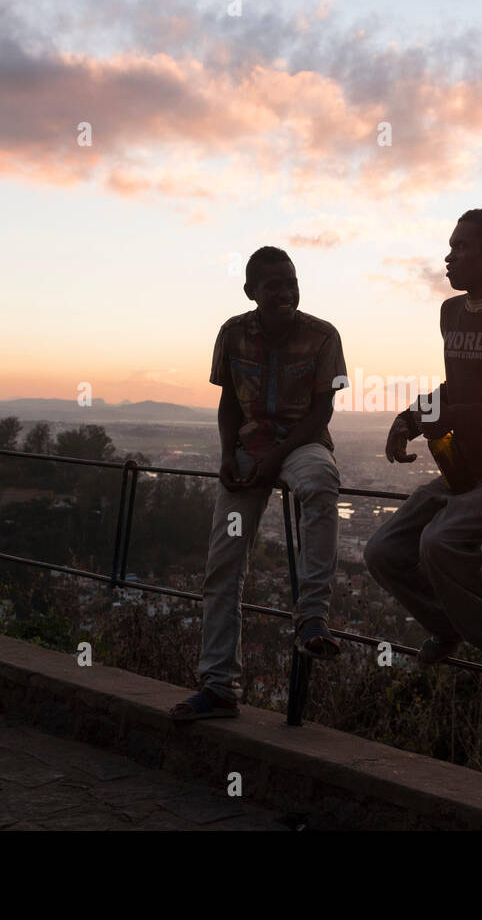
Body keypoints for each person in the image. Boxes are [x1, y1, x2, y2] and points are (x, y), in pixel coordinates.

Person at [364, 209, 482, 692]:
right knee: (382, 550)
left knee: (440, 541)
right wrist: (411, 417)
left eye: (460, 247)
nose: (448, 258)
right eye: (450, 247)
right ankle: (447, 626)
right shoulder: (451, 312)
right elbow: (457, 386)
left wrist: (454, 417)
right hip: (464, 473)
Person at [171, 246, 347, 721]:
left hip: (303, 441)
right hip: (248, 448)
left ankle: (313, 615)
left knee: (321, 483)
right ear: (251, 290)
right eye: (274, 285)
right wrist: (228, 454)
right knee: (223, 562)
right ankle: (219, 685)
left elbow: (321, 413)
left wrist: (276, 457)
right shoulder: (232, 333)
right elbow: (230, 400)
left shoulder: (323, 335)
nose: (286, 292)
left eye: (291, 282)